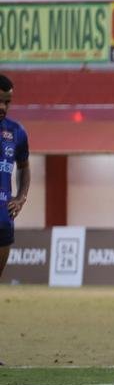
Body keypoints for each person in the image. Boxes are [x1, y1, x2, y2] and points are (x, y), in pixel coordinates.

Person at [0, 74, 31, 282]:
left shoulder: (16, 131)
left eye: (7, 102)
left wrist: (21, 197)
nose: (3, 107)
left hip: (3, 218)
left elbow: (24, 167)